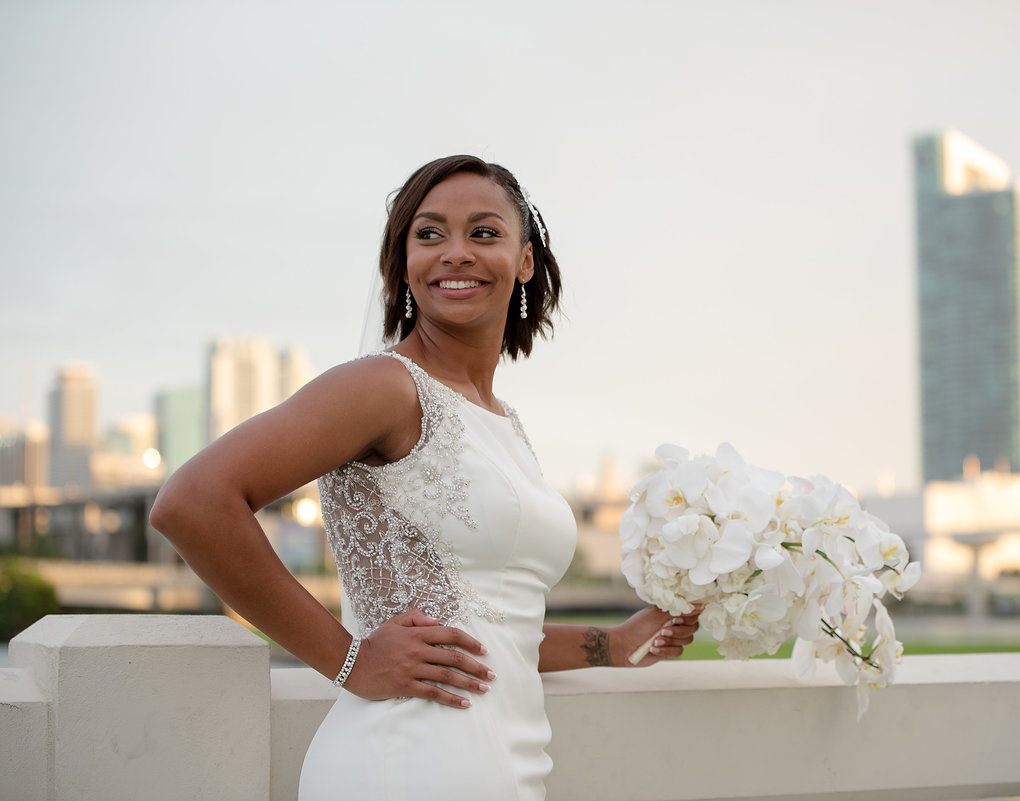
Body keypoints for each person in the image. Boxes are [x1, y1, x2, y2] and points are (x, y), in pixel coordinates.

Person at [149, 154, 701, 800]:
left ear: (524, 261)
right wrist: (348, 659)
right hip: (403, 760)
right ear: (403, 263)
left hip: (504, 763)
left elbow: (488, 628)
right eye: (430, 234)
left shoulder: (503, 422)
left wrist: (614, 642)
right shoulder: (383, 386)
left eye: (485, 233)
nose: (456, 252)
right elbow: (191, 502)